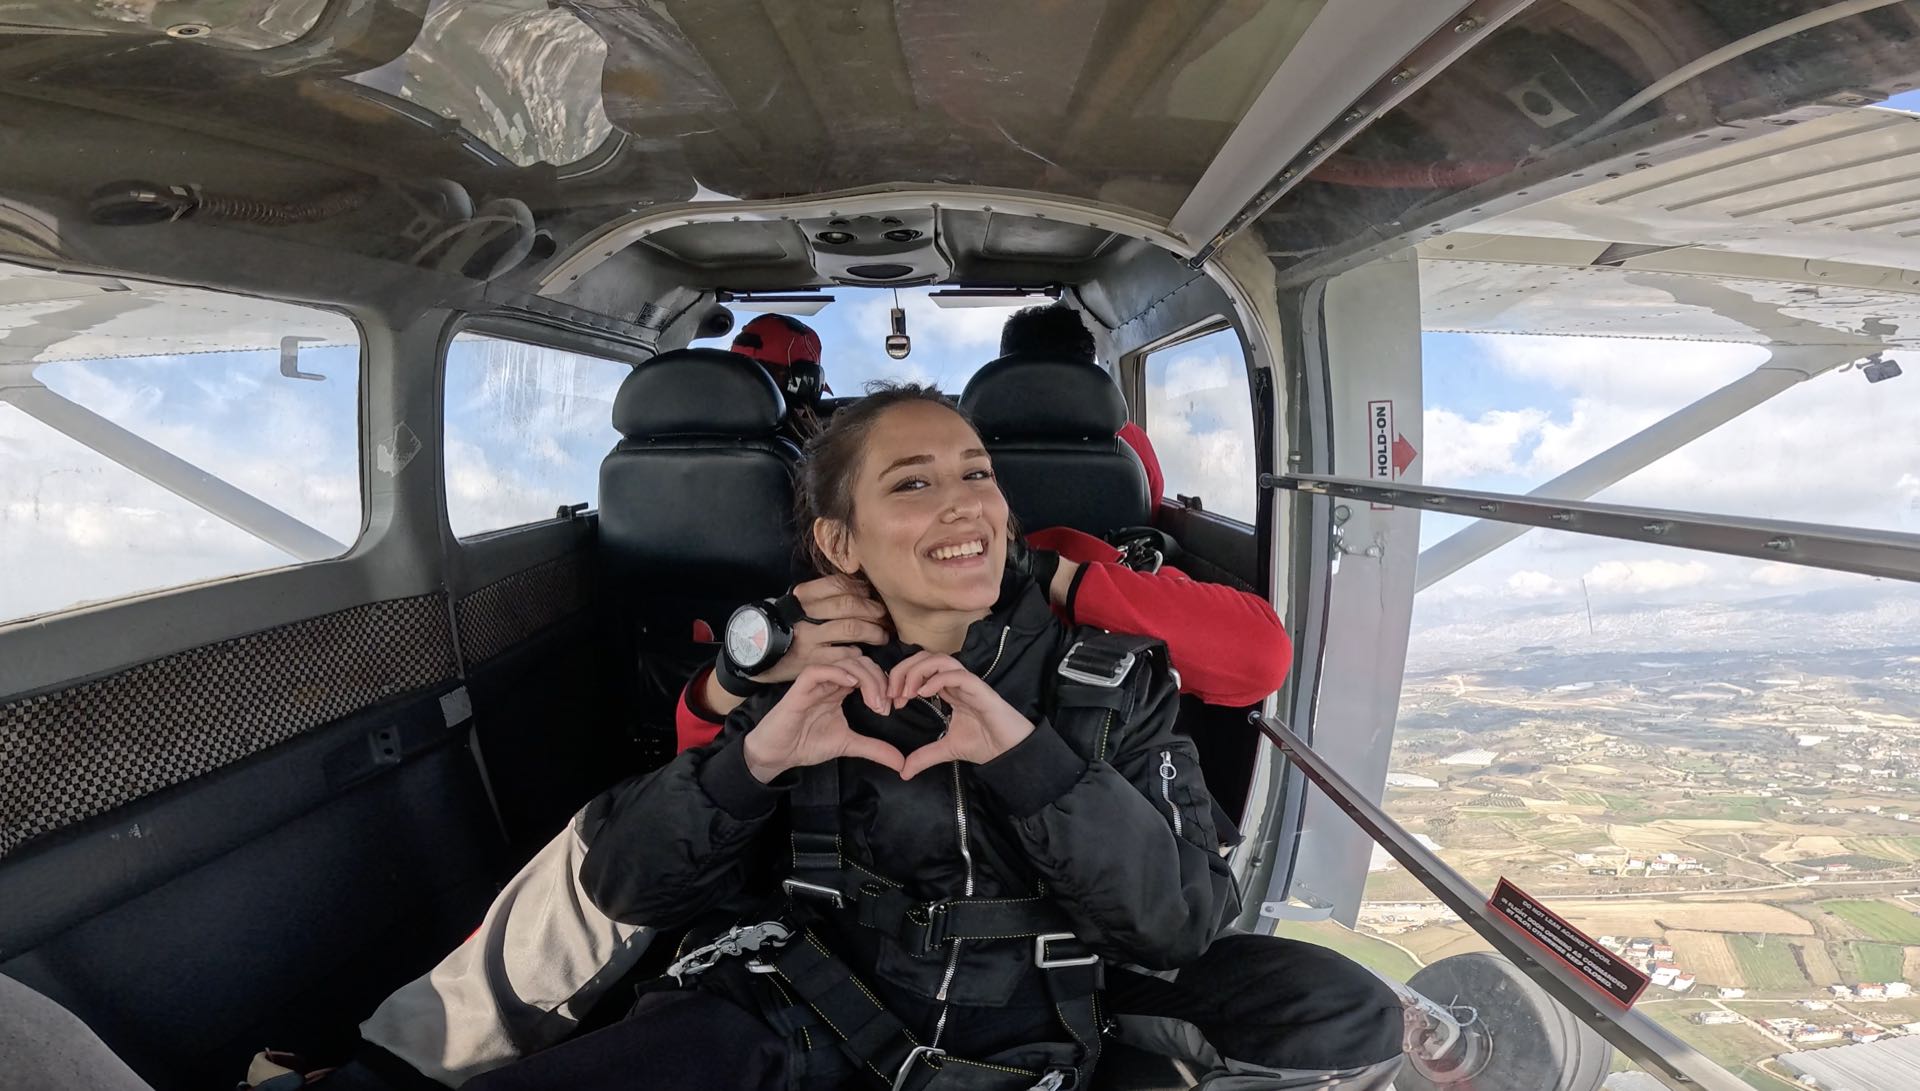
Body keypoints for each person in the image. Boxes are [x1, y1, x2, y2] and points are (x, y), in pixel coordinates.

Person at [456, 385, 1405, 1091]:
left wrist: (1028, 759)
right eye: (913, 483)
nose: (964, 503)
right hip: (809, 1003)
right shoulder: (809, 669)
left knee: (1345, 1007)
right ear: (841, 543)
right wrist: (756, 759)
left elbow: (1179, 923)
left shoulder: (1111, 675)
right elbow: (631, 885)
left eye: (978, 476)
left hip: (1054, 1009)